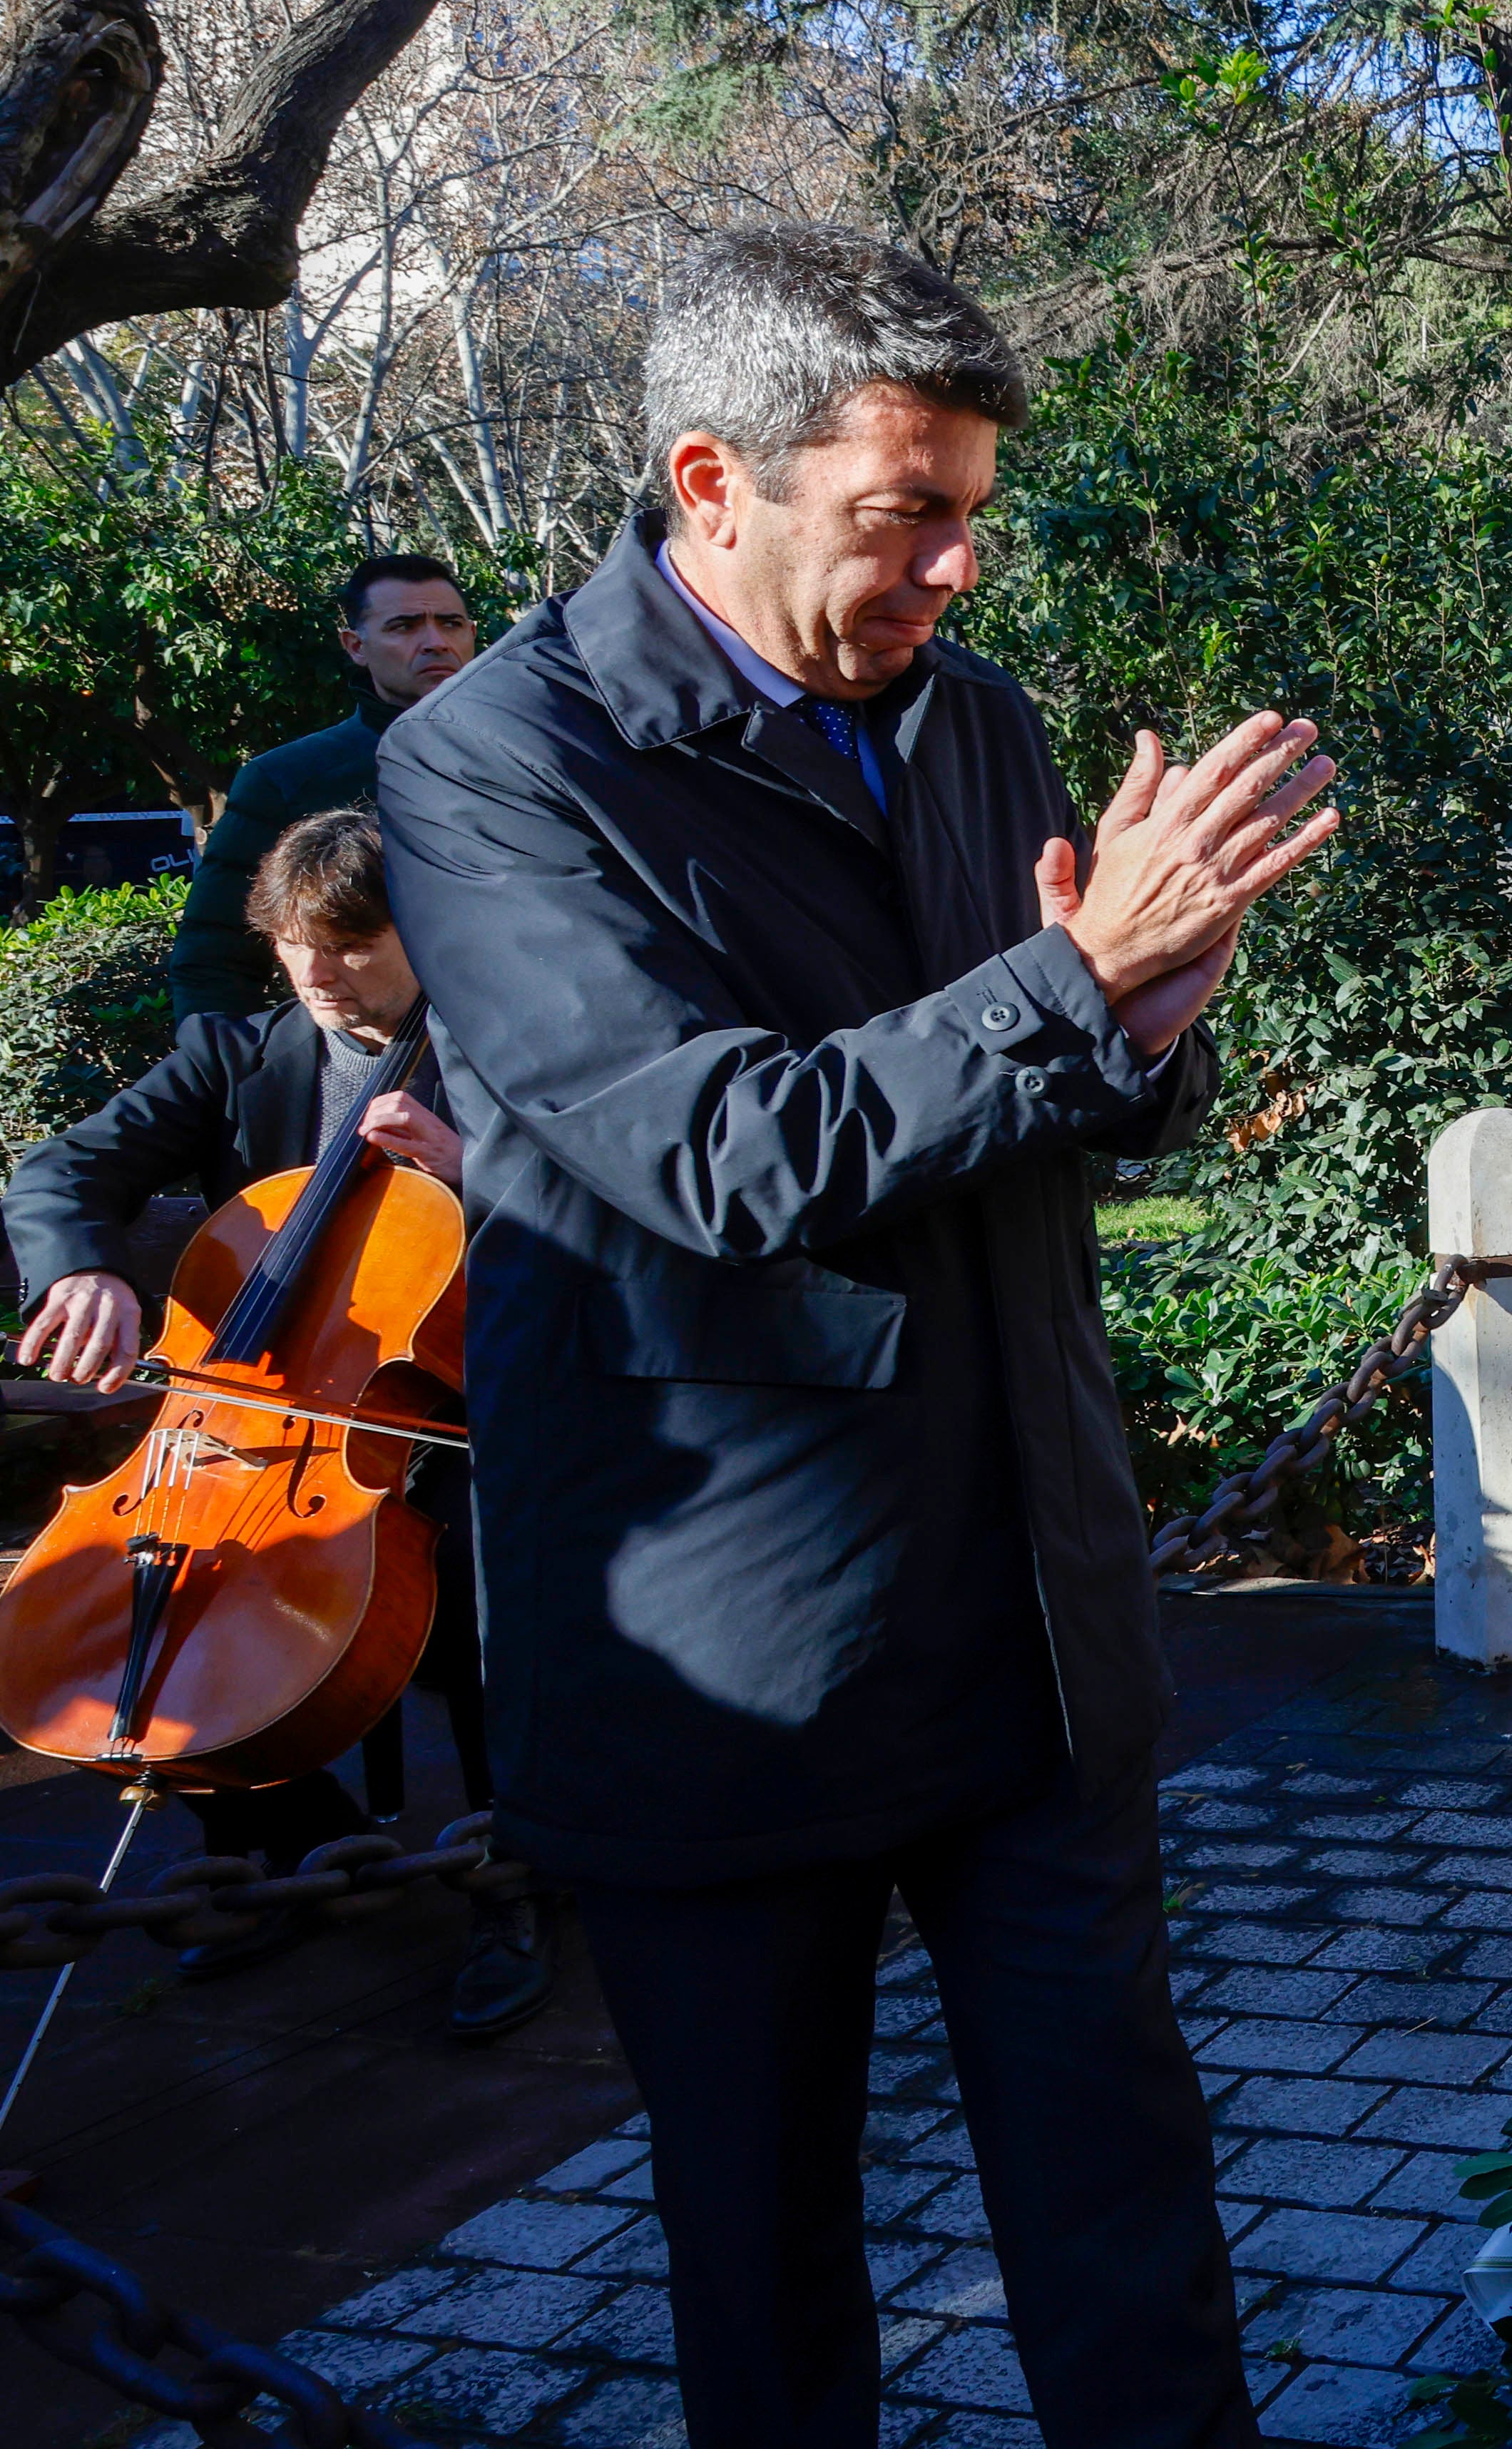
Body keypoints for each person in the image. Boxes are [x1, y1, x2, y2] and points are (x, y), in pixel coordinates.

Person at [376, 225, 1334, 2449]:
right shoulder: (495, 765)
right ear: (715, 478)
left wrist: (1148, 1024)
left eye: (971, 505)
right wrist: (1076, 993)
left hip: (1027, 1608)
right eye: (910, 510)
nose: (962, 565)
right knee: (767, 2261)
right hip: (739, 1646)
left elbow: (1035, 1095)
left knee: (1127, 2218)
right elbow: (724, 1154)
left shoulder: (969, 717)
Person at [4, 807, 550, 2035]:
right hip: (258, 1432)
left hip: (468, 1413)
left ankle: (511, 1885)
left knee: (480, 1585)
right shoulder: (235, 1054)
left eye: (352, 943)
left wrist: (480, 1176)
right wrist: (78, 1269)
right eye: (294, 942)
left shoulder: (513, 1053)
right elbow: (61, 1173)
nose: (316, 972)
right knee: (135, 1614)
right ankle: (300, 1850)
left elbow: (615, 1227)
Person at [168, 556, 478, 1018]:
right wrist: (226, 1077)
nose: (435, 642)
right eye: (405, 626)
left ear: (472, 634)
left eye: (450, 623)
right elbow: (215, 958)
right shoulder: (289, 779)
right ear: (355, 645)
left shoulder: (540, 755)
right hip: (374, 1061)